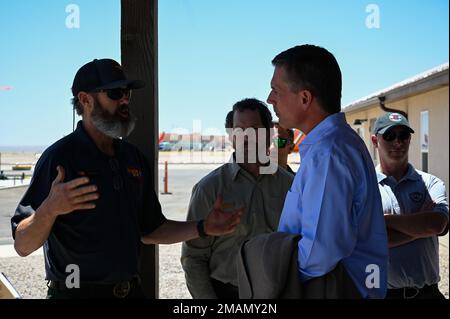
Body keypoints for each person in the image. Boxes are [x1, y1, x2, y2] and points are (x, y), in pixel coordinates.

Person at [11, 58, 242, 299]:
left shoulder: (133, 159)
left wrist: (204, 227)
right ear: (85, 99)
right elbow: (22, 245)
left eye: (127, 93)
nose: (124, 100)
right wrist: (50, 209)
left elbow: (151, 230)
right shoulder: (59, 158)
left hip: (130, 293)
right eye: (115, 92)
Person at [266, 44, 388, 299]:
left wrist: (274, 278)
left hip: (334, 290)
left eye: (276, 90)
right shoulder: (334, 145)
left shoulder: (329, 154)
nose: (270, 99)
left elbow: (319, 253)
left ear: (305, 99)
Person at [181, 98, 293, 299]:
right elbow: (193, 258)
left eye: (254, 128)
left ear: (269, 134)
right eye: (239, 130)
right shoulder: (209, 189)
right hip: (227, 294)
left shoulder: (291, 186)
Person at [371, 112, 449, 299]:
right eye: (389, 136)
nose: (398, 142)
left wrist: (385, 221)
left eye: (403, 136)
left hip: (427, 294)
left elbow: (437, 224)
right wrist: (420, 227)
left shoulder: (431, 183)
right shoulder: (364, 188)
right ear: (375, 141)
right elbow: (371, 240)